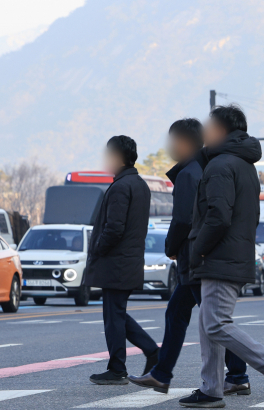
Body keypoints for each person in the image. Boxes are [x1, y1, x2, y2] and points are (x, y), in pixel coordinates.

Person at [177, 105, 264, 408]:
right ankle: (211, 389)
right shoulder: (244, 165)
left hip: (218, 256)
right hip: (232, 253)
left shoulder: (220, 165)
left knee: (215, 323)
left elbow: (218, 216)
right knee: (207, 322)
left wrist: (198, 248)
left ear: (221, 130)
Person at [128, 119, 251, 395]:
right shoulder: (203, 168)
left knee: (214, 321)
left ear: (183, 143)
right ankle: (162, 373)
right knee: (180, 313)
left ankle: (239, 374)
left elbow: (183, 220)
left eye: (172, 141)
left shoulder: (188, 173)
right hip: (199, 257)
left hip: (193, 258)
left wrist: (171, 247)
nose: (170, 147)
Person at [84, 135, 159, 385]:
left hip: (115, 263)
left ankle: (117, 369)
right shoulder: (140, 185)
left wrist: (97, 249)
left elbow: (114, 228)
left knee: (113, 316)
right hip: (129, 260)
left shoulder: (120, 186)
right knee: (117, 314)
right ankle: (152, 351)